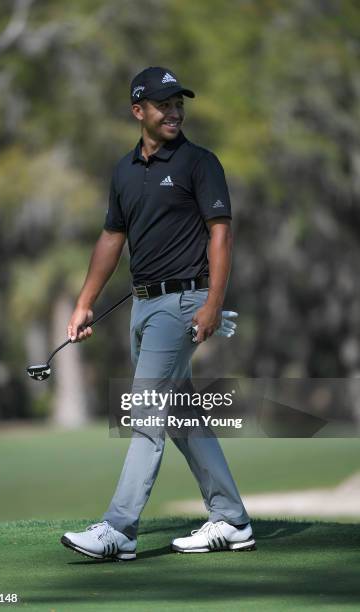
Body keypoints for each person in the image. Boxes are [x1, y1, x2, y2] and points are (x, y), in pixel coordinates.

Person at [61, 67, 255, 561]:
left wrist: (213, 301)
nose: (174, 112)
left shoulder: (199, 163)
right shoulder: (124, 171)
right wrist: (85, 301)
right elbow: (111, 238)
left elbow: (221, 234)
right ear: (138, 111)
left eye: (179, 104)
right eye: (164, 104)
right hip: (142, 306)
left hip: (184, 303)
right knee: (180, 414)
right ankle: (231, 520)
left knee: (144, 412)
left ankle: (119, 528)